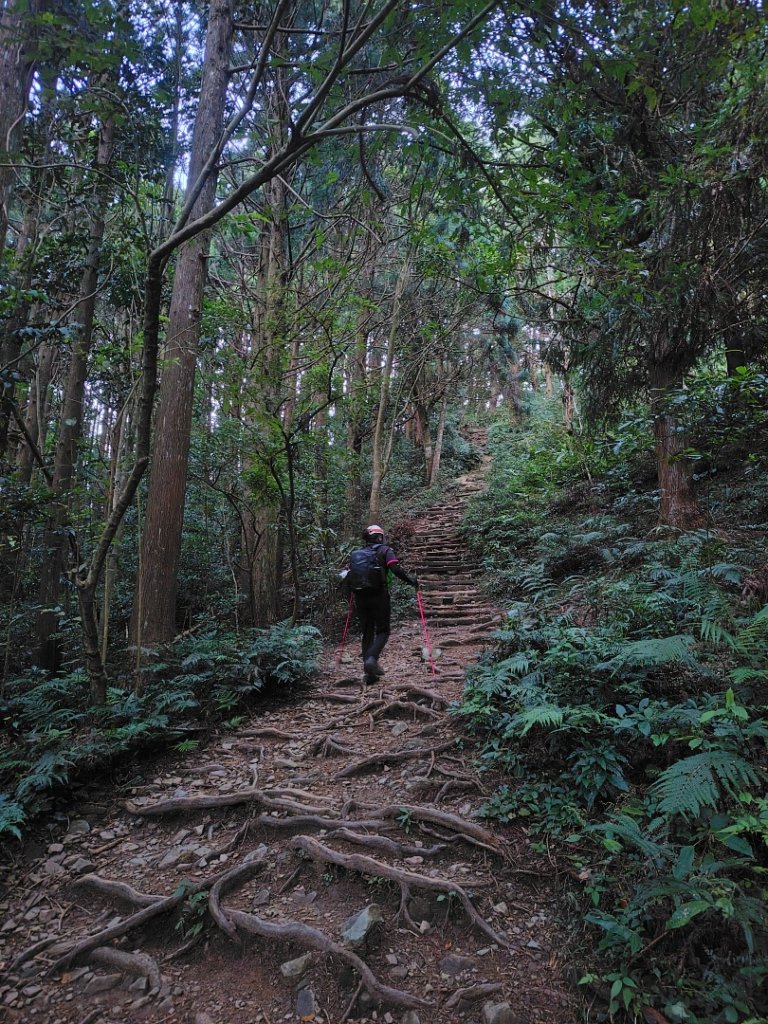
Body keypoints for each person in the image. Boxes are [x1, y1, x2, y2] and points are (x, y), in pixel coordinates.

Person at [346, 524, 418, 683]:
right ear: (380, 537)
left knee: (367, 632)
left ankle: (370, 672)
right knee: (383, 631)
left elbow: (347, 574)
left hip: (360, 597)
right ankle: (371, 659)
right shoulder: (385, 550)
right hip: (379, 595)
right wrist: (411, 581)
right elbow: (394, 568)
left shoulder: (356, 554)